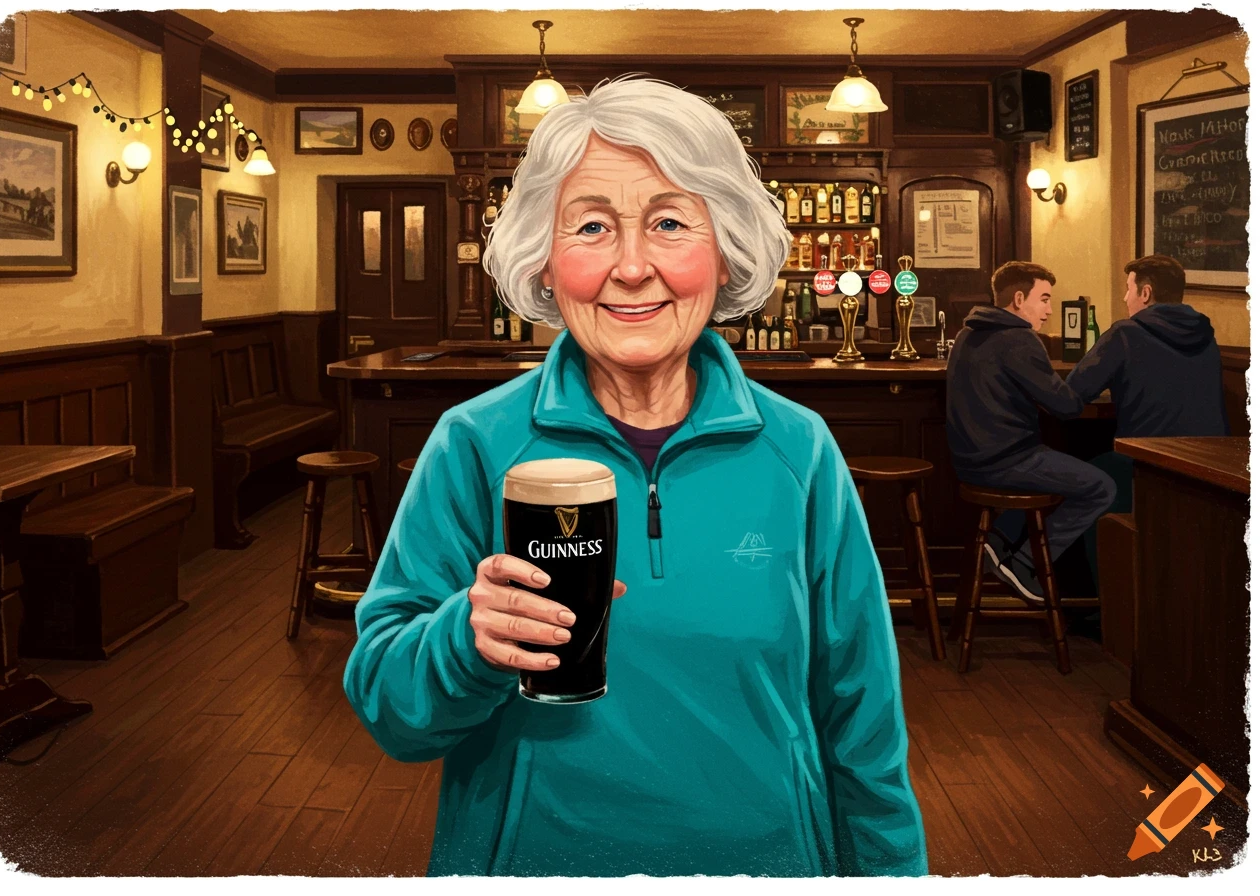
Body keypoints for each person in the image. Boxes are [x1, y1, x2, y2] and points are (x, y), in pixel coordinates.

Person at [343, 76, 926, 877]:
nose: (630, 266)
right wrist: (465, 640)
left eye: (670, 222)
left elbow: (865, 725)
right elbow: (388, 709)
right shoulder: (473, 444)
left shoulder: (801, 451)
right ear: (544, 264)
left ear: (725, 253)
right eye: (589, 226)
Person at [946, 261, 1115, 603]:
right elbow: (1066, 407)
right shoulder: (1019, 339)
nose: (1050, 311)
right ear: (1019, 299)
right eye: (1045, 299)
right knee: (1101, 486)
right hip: (1006, 461)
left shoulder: (968, 332)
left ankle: (997, 541)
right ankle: (1024, 563)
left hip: (968, 462)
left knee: (1059, 468)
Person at [1066, 254, 1229, 515]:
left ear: (1145, 293)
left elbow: (1073, 392)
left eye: (1128, 289)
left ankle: (1017, 552)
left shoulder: (1125, 333)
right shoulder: (1206, 336)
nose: (1124, 298)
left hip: (1148, 464)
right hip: (1211, 468)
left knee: (1078, 482)